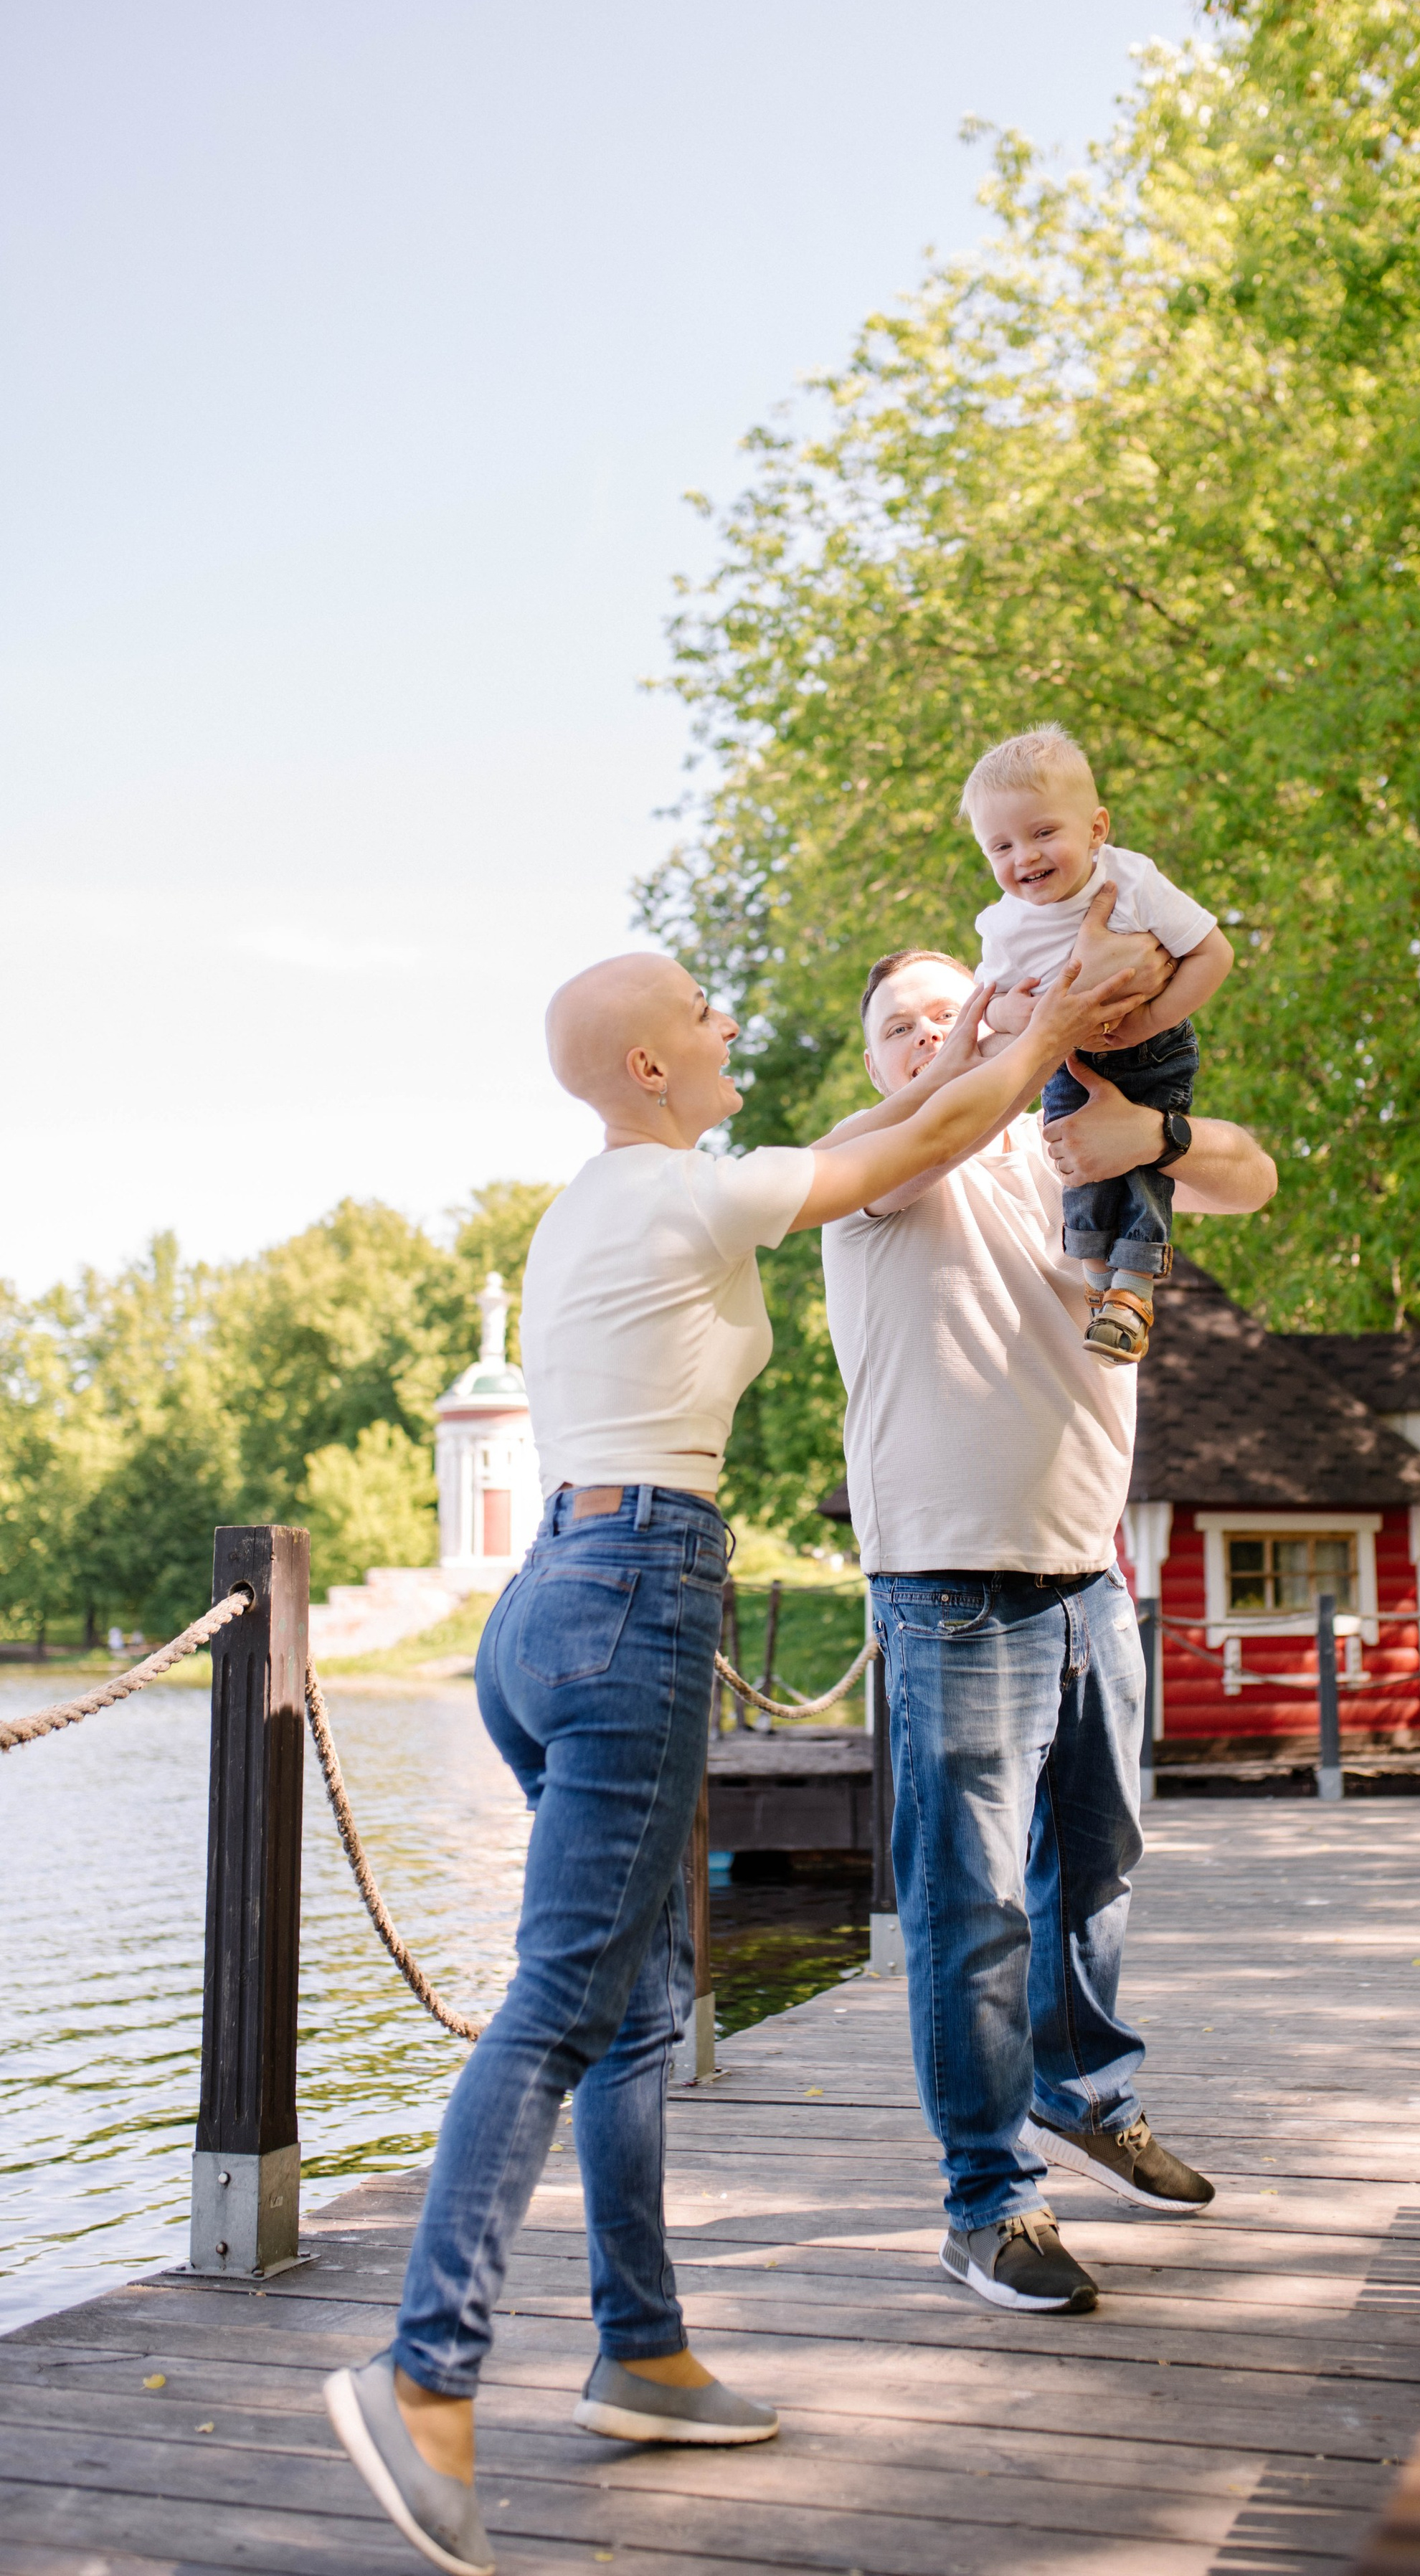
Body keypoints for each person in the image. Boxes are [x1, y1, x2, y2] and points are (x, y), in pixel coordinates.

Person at [323, 943, 1137, 2576]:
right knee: (566, 2002)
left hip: (550, 1594)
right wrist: (1042, 1029)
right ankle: (424, 2373)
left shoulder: (594, 1203)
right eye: (699, 1009)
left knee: (635, 2013)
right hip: (631, 1601)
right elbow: (908, 1148)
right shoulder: (681, 1190)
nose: (724, 1022)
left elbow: (917, 1111)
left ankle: (641, 2351)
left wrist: (986, 1032)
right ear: (643, 1067)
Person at [820, 934, 1277, 2317]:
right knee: (973, 1910)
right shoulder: (865, 1161)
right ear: (877, 1058)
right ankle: (989, 2204)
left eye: (952, 1011)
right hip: (950, 1586)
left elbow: (1251, 1176)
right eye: (902, 1023)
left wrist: (1158, 1122)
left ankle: (1087, 2094)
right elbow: (931, 1112)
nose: (929, 1036)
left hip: (1092, 1574)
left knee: (1100, 1864)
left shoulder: (1070, 1157)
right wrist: (994, 1046)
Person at [965, 724, 1232, 1365]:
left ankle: (1133, 1290)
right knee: (1079, 1167)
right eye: (1000, 846)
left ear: (1096, 828)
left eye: (1042, 832)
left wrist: (1148, 1021)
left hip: (1154, 1048)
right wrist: (1015, 1008)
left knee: (1143, 1164)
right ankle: (1097, 1288)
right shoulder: (1002, 923)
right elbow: (986, 1003)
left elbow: (1212, 954)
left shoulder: (1132, 882)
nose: (1023, 857)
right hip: (1071, 1061)